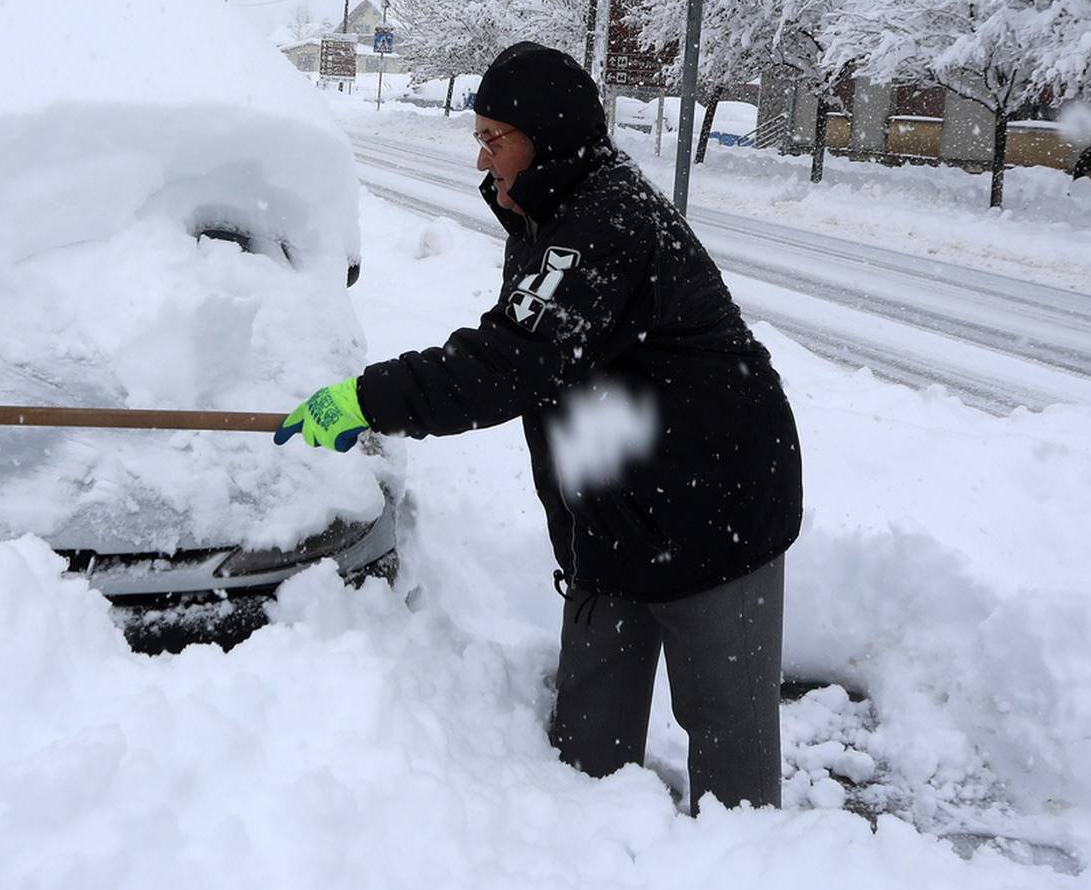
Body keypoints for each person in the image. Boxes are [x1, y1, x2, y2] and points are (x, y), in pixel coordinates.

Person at [276, 42, 803, 812]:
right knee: (585, 754)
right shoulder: (547, 214)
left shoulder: (605, 222)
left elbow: (510, 362)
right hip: (618, 515)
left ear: (548, 136)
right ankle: (597, 883)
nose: (483, 159)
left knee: (732, 761)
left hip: (719, 507)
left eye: (496, 139)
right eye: (478, 138)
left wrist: (370, 399)